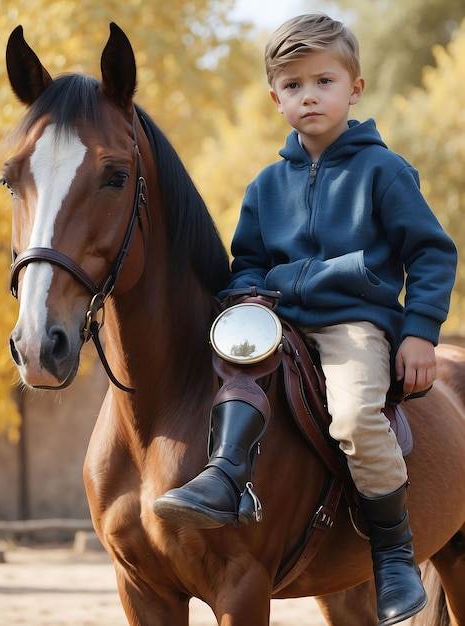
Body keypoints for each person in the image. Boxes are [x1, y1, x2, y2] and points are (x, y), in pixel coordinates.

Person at [153, 13, 457, 625]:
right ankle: (224, 477)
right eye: (293, 86)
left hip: (352, 325)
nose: (308, 95)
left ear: (355, 88)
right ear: (276, 99)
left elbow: (431, 253)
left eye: (323, 80)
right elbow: (248, 262)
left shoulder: (383, 172)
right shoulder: (266, 185)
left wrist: (420, 330)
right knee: (234, 377)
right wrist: (240, 301)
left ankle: (394, 556)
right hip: (275, 321)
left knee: (353, 415)